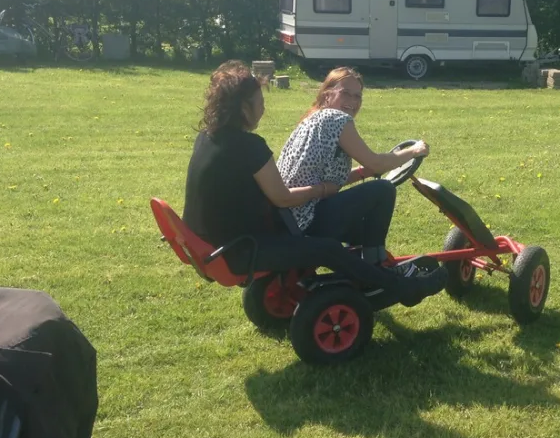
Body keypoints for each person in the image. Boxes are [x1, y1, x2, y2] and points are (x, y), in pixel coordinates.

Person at [182, 61, 447, 306]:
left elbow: (308, 178)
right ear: (243, 108)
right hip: (244, 246)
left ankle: (373, 268)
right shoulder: (250, 146)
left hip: (221, 241)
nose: (264, 108)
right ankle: (393, 282)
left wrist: (351, 178)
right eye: (260, 102)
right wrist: (412, 152)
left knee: (360, 207)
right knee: (377, 196)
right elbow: (283, 197)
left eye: (358, 96)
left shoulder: (208, 138)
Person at [277, 67, 429, 265]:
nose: (353, 101)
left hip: (289, 218)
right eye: (345, 93)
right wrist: (414, 151)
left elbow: (320, 174)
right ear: (327, 94)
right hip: (308, 218)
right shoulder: (336, 119)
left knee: (361, 224)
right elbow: (376, 162)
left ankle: (356, 265)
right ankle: (376, 266)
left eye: (358, 96)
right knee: (383, 190)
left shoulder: (311, 120)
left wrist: (360, 173)